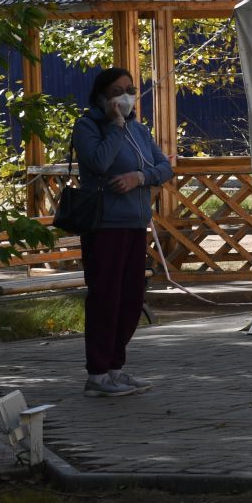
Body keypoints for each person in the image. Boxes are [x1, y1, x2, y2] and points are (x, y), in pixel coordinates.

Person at [72, 67, 173, 397]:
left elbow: (164, 167)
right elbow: (99, 163)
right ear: (102, 97)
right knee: (106, 298)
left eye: (130, 90)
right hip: (105, 225)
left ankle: (115, 368)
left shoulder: (139, 130)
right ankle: (97, 374)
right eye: (117, 92)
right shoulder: (88, 126)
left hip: (134, 223)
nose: (126, 97)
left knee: (130, 299)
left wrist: (139, 178)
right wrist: (115, 127)